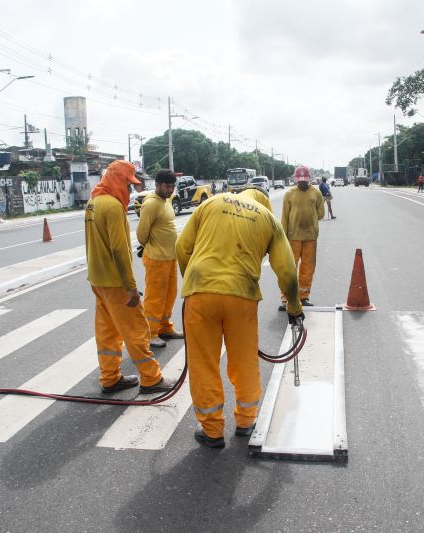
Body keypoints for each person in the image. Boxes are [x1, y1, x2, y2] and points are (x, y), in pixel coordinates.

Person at [176, 188, 304, 448]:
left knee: (204, 363)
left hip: (200, 293)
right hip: (242, 296)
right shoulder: (267, 218)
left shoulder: (210, 203)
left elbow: (182, 247)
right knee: (244, 361)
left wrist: (192, 282)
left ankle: (211, 429)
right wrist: (294, 307)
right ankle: (246, 421)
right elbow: (288, 273)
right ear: (263, 202)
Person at [84, 160, 175, 394]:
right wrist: (130, 287)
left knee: (107, 332)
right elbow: (119, 250)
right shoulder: (113, 207)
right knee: (136, 329)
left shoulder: (93, 203)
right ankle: (151, 378)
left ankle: (110, 377)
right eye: (127, 183)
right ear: (116, 180)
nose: (129, 190)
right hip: (115, 282)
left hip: (98, 279)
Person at [136, 169, 183, 349]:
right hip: (156, 259)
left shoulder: (167, 200)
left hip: (170, 258)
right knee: (155, 298)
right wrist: (153, 245)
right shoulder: (151, 204)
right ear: (157, 185)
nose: (170, 190)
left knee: (169, 296)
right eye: (167, 186)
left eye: (172, 186)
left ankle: (164, 327)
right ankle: (150, 333)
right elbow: (141, 234)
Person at [279, 165, 324, 309]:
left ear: (309, 179)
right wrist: (283, 236)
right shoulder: (289, 194)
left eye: (304, 181)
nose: (302, 183)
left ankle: (304, 297)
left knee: (307, 267)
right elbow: (284, 217)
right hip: (293, 238)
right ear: (296, 180)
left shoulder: (316, 194)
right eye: (300, 181)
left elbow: (321, 213)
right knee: (289, 268)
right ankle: (287, 299)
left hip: (310, 237)